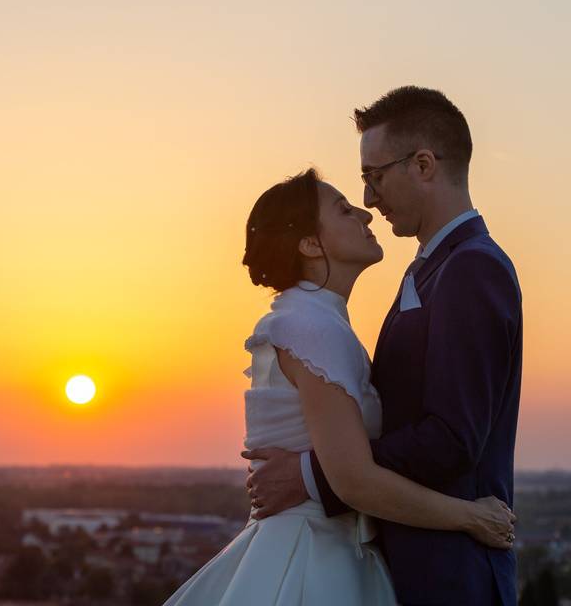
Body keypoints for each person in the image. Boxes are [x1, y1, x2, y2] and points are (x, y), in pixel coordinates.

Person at [162, 167, 515, 606]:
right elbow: (355, 482)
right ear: (311, 244)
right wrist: (470, 518)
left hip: (329, 544)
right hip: (312, 555)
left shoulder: (314, 320)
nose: (366, 215)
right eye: (345, 210)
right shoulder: (311, 327)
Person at [242, 87, 523, 606]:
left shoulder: (471, 269)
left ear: (422, 165)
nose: (369, 201)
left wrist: (313, 476)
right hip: (406, 566)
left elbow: (451, 438)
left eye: (373, 177)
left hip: (451, 574)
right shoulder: (431, 271)